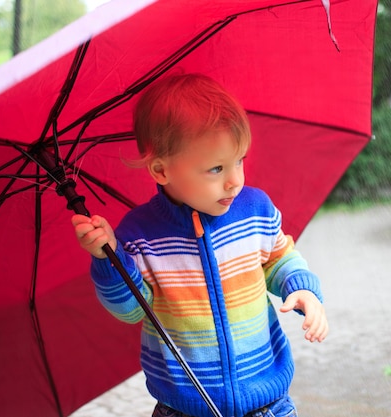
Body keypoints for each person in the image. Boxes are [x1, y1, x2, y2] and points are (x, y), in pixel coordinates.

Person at [72, 73, 329, 417]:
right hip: (185, 410)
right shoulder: (140, 235)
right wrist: (108, 259)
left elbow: (279, 257)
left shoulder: (254, 210)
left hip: (267, 404)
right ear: (161, 170)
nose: (234, 180)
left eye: (239, 160)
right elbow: (132, 309)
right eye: (216, 169)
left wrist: (302, 289)